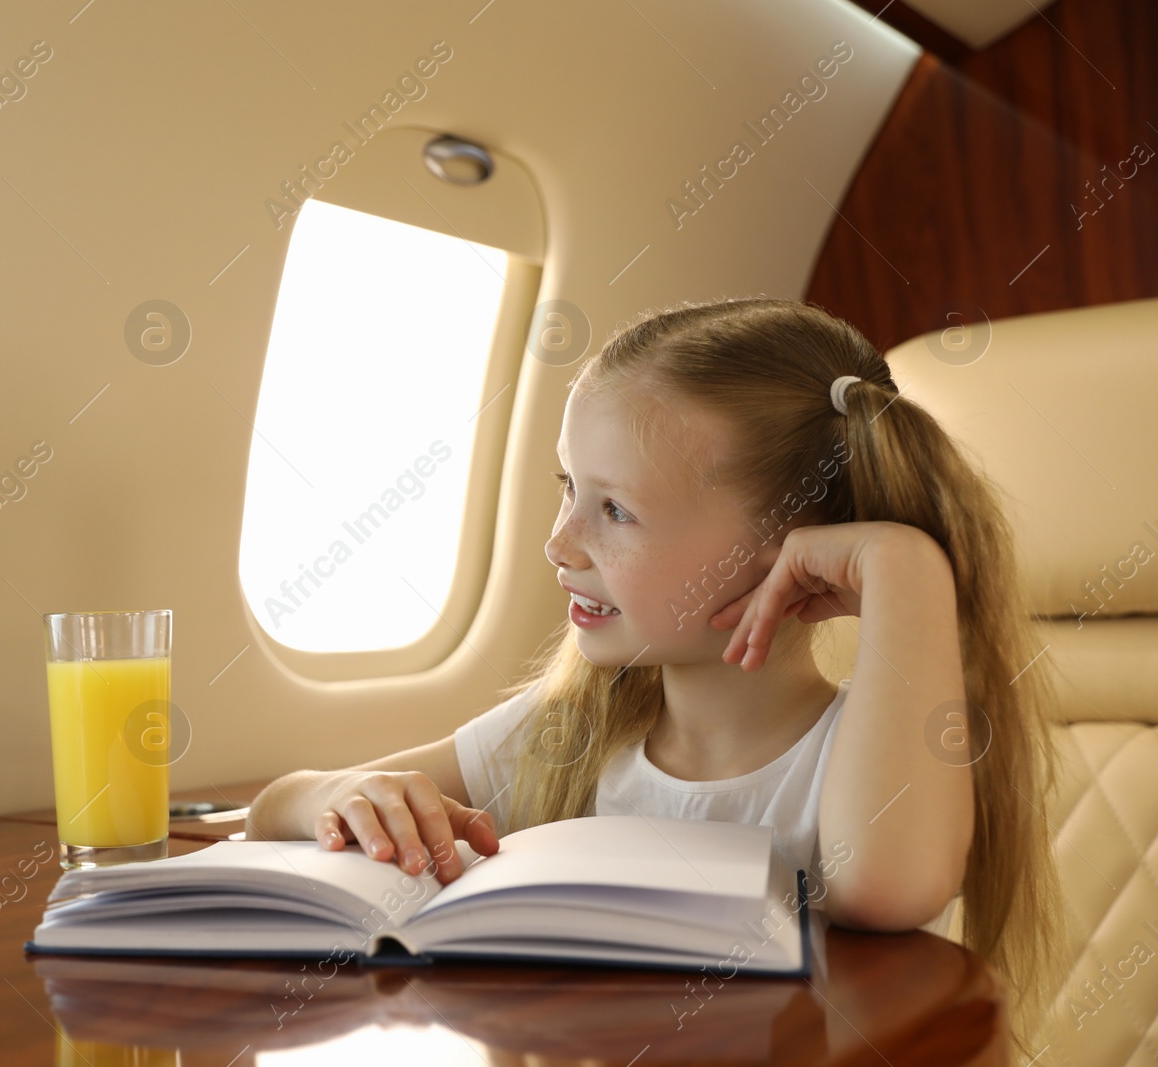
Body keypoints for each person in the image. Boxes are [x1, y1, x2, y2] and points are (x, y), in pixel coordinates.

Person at [247, 297, 1067, 1061]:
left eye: (616, 511)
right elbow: (272, 807)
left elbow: (887, 889)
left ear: (795, 547)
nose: (559, 543)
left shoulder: (876, 763)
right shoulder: (567, 736)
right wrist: (342, 794)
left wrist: (906, 566)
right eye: (570, 487)